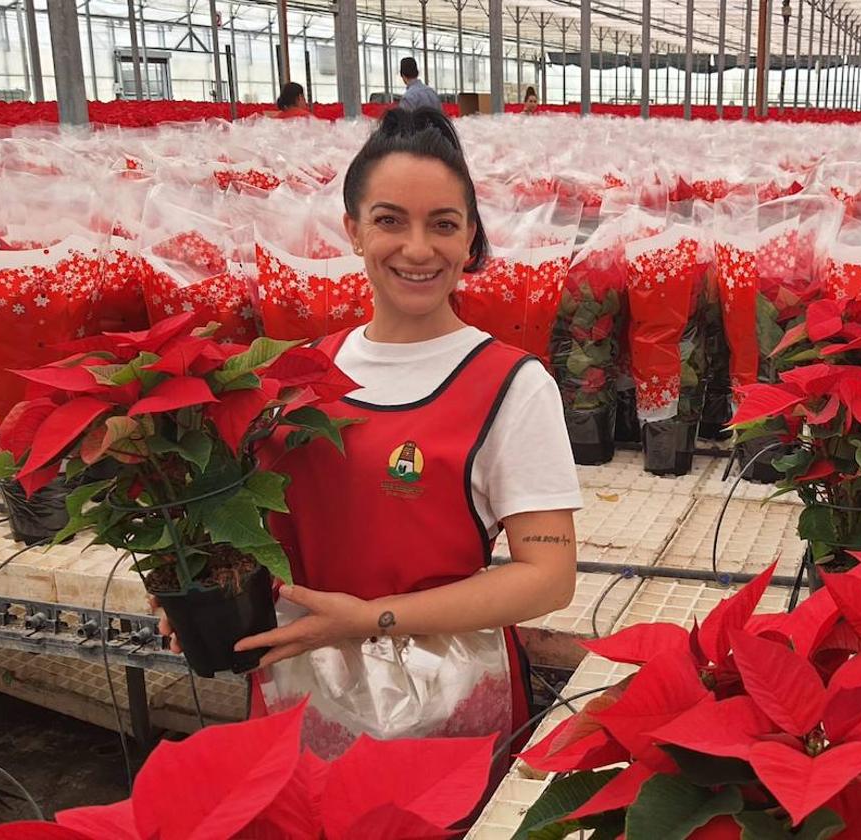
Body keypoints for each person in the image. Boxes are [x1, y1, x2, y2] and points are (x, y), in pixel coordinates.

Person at [157, 108, 580, 762]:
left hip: (446, 701)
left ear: (470, 240)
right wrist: (199, 586)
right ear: (353, 231)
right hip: (298, 689)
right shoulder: (293, 377)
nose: (417, 249)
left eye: (443, 224)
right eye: (389, 220)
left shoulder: (512, 385)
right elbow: (260, 534)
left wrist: (372, 618)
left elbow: (548, 578)